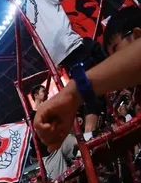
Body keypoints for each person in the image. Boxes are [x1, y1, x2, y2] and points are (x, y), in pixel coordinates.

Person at [21, 0, 105, 140]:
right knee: (99, 55)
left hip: (59, 56)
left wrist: (52, 62)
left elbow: (35, 43)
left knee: (87, 86)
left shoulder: (26, 9)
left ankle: (88, 136)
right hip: (71, 45)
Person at [34, 11, 141, 150]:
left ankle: (89, 135)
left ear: (137, 35)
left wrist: (74, 93)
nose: (115, 60)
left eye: (116, 49)